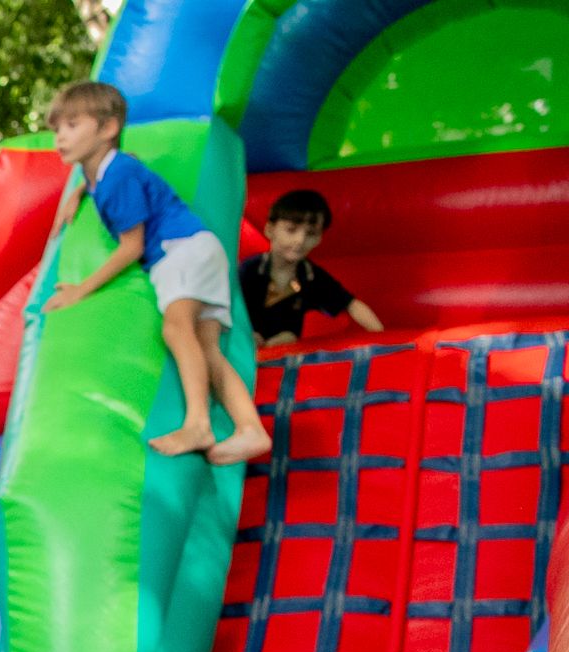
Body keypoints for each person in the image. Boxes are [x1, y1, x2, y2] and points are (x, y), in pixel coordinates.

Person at [43, 80, 271, 466]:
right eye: (57, 129)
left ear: (108, 127)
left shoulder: (117, 177)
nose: (60, 137)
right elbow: (120, 161)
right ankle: (251, 428)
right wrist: (78, 191)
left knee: (175, 328)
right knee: (208, 348)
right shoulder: (107, 170)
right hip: (202, 250)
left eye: (72, 125)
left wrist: (81, 290)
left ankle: (198, 423)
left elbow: (132, 247)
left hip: (179, 251)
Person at [240, 189, 385, 348]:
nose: (300, 240)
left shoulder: (311, 277)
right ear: (270, 230)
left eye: (310, 233)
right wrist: (244, 335)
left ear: (319, 239)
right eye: (291, 230)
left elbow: (352, 305)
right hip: (240, 343)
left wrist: (383, 339)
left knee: (286, 337)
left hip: (282, 354)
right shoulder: (249, 270)